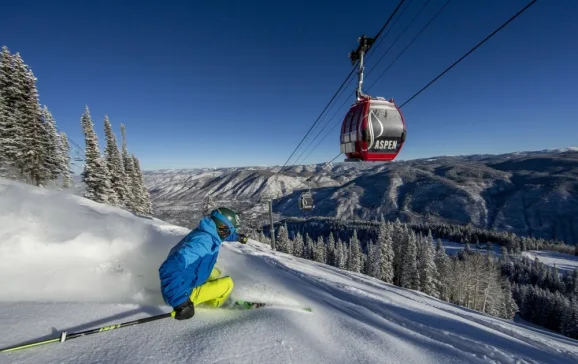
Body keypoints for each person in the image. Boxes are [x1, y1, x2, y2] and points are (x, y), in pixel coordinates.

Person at [159, 207, 249, 320]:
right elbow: (169, 267)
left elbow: (223, 234)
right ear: (223, 228)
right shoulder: (202, 243)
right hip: (183, 294)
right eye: (229, 232)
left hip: (183, 281)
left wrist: (237, 237)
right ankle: (214, 307)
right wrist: (180, 301)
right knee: (228, 284)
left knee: (216, 272)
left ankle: (214, 294)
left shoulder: (208, 231)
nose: (227, 235)